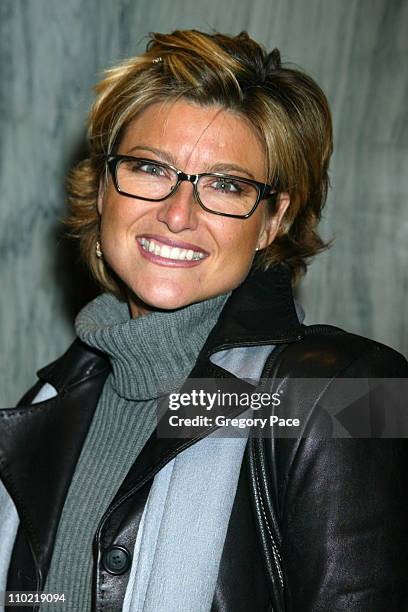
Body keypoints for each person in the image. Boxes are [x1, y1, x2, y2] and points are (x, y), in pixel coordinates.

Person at [0, 29, 407, 612]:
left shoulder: (362, 391)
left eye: (225, 184)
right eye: (149, 168)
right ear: (103, 190)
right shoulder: (45, 404)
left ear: (271, 221)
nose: (177, 214)